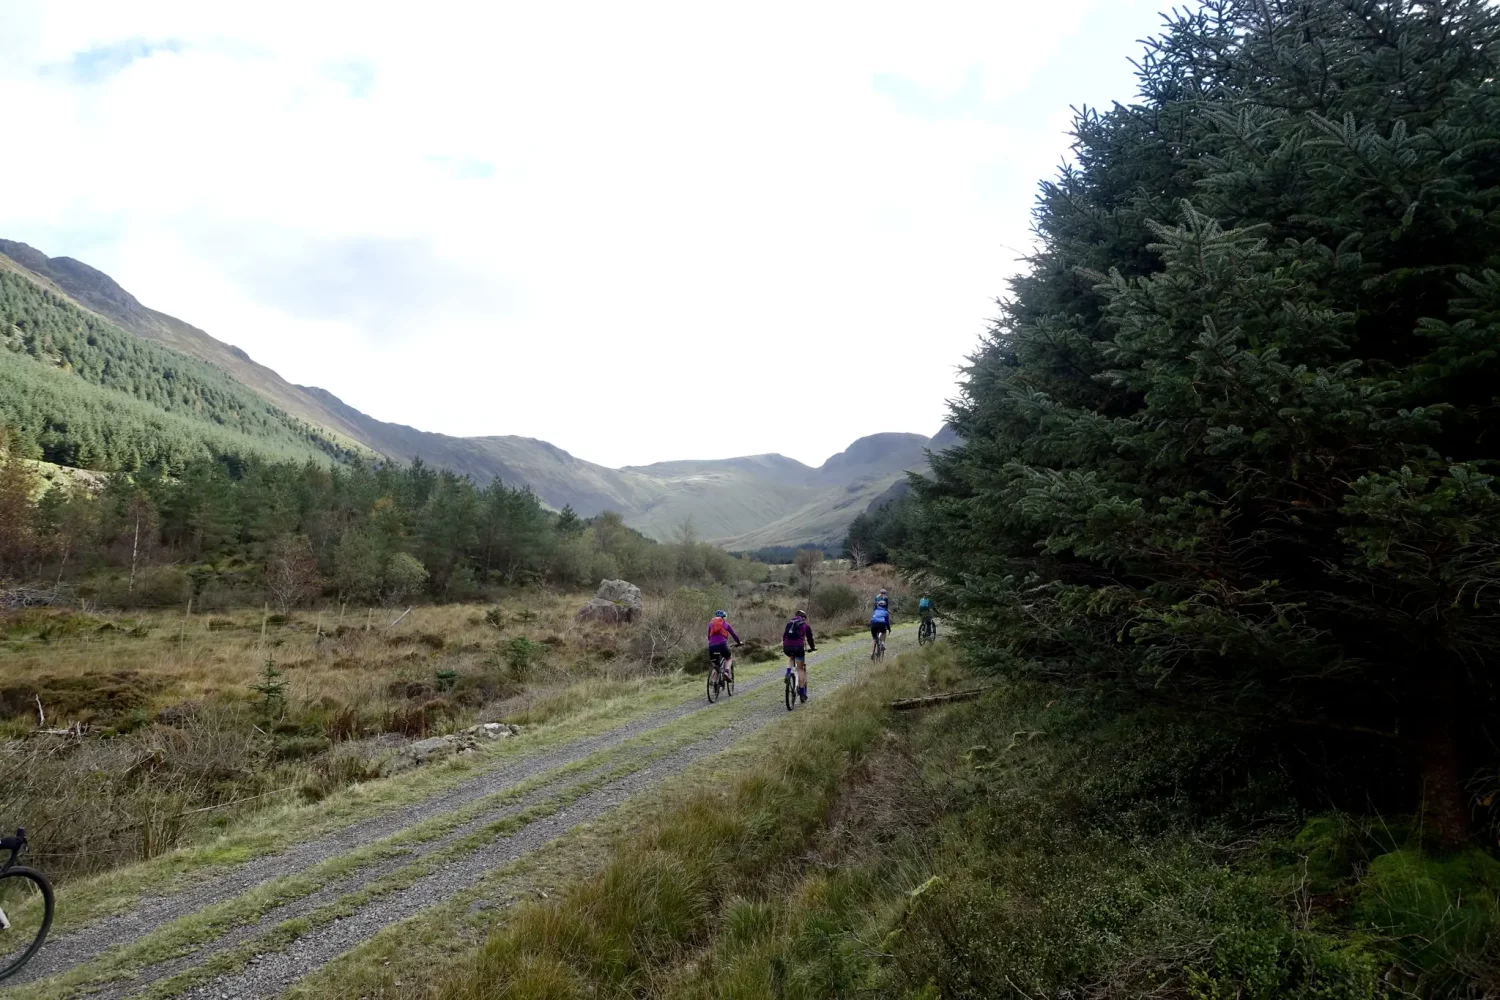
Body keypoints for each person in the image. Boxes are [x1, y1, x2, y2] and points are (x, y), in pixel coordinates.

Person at [782, 609, 816, 703]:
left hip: (787, 647)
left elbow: (784, 637)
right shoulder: (805, 625)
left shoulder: (789, 624)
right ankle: (802, 694)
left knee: (791, 657)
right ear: (804, 618)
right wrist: (812, 647)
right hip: (798, 648)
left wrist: (786, 645)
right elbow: (810, 638)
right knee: (800, 669)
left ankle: (788, 673)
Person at [706, 610, 742, 680]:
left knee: (716, 665)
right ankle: (726, 672)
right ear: (723, 617)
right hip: (722, 645)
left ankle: (714, 683)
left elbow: (709, 637)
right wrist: (738, 642)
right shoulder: (726, 625)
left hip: (711, 646)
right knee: (729, 658)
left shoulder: (711, 625)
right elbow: (734, 635)